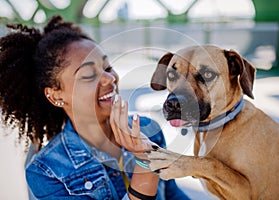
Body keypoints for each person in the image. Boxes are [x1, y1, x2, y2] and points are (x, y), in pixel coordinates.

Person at [0, 15, 190, 199]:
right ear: (56, 95)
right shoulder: (46, 172)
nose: (110, 78)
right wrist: (145, 162)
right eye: (89, 75)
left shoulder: (150, 130)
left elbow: (173, 195)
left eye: (107, 68)